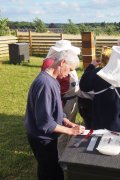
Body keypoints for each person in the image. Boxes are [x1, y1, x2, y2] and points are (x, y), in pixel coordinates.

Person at [24, 50, 85, 180]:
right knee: (51, 173)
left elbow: (55, 109)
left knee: (50, 169)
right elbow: (45, 123)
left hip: (47, 137)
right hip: (41, 138)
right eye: (69, 69)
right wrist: (70, 131)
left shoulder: (53, 81)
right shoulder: (45, 84)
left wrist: (67, 121)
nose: (69, 74)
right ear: (62, 62)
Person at [80, 44, 120, 132]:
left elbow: (83, 85)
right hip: (118, 126)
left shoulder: (99, 73)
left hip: (98, 122)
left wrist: (91, 67)